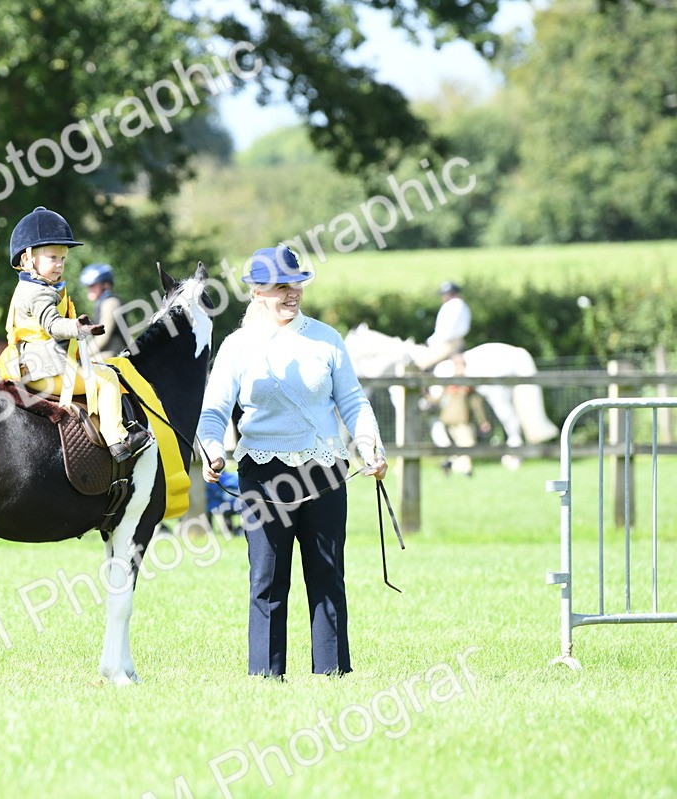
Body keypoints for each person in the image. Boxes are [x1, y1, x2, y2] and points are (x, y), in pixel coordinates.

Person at [198, 244, 388, 680]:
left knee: (326, 574)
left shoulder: (326, 338)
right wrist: (211, 448)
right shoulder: (237, 346)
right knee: (267, 578)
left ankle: (333, 672)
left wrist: (369, 445)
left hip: (324, 470)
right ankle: (266, 675)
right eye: (281, 286)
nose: (292, 294)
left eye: (296, 284)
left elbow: (353, 401)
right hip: (263, 474)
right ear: (256, 292)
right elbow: (213, 410)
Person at [0, 206, 151, 463]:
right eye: (53, 258)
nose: (59, 265)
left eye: (63, 259)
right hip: (44, 368)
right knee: (109, 377)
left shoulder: (31, 286)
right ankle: (118, 439)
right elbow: (53, 325)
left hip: (30, 364)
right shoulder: (39, 292)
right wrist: (77, 328)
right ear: (28, 259)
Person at [435, 354, 491, 478]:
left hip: (452, 418)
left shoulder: (450, 381)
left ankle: (449, 462)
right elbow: (476, 403)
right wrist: (483, 420)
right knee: (467, 444)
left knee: (462, 445)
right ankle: (467, 471)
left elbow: (437, 399)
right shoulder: (466, 382)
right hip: (458, 419)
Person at [79, 262, 128, 358]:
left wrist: (81, 355)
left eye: (93, 285)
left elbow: (103, 337)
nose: (89, 289)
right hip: (106, 353)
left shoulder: (110, 302)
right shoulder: (104, 302)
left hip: (113, 355)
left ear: (105, 284)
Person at [420, 281, 471, 370]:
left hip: (448, 344)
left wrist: (432, 340)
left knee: (423, 366)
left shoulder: (454, 305)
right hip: (451, 341)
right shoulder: (459, 305)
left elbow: (448, 330)